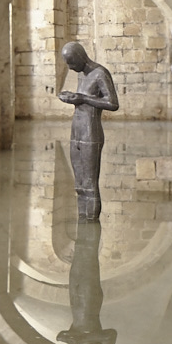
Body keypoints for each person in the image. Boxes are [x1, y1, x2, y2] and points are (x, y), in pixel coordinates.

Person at [58, 41, 119, 221]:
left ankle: (90, 225)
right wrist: (73, 98)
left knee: (90, 185)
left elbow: (113, 103)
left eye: (71, 63)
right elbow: (82, 100)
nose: (70, 67)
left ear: (80, 57)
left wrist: (82, 98)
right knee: (80, 185)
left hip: (91, 133)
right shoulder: (81, 75)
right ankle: (82, 223)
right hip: (76, 132)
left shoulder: (100, 73)